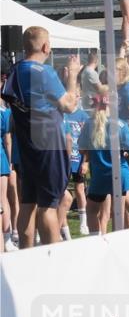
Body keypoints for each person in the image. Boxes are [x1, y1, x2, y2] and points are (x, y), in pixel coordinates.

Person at [1, 27, 81, 246]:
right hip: (49, 145)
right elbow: (69, 105)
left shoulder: (15, 70)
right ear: (46, 46)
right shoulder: (43, 72)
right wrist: (73, 75)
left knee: (28, 203)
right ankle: (50, 256)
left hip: (27, 147)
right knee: (48, 205)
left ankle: (27, 253)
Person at [79, 94, 129, 234]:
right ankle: (119, 240)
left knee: (91, 210)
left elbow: (81, 149)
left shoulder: (89, 124)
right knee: (118, 213)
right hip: (119, 173)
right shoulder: (120, 124)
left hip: (99, 174)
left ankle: (95, 239)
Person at [63, 97, 90, 236]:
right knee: (62, 191)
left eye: (75, 95)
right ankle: (62, 223)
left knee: (80, 189)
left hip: (78, 159)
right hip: (64, 160)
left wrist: (85, 162)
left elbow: (88, 141)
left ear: (79, 97)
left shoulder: (83, 116)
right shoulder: (62, 113)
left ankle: (83, 223)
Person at [0, 103, 12, 251]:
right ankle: (7, 238)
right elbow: (7, 140)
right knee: (3, 199)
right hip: (2, 159)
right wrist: (10, 162)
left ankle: (7, 239)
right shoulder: (3, 112)